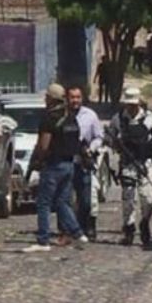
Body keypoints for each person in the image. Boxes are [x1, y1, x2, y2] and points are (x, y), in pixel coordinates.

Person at [23, 83, 88, 253]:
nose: (45, 100)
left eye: (47, 97)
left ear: (51, 98)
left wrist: (38, 161)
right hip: (69, 164)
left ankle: (43, 240)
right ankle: (78, 233)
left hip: (54, 165)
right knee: (62, 201)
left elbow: (44, 145)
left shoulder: (49, 118)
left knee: (44, 203)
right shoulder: (71, 117)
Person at [105, 87, 152, 247]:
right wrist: (114, 144)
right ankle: (129, 229)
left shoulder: (150, 119)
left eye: (134, 104)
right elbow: (108, 138)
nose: (131, 107)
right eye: (129, 104)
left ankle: (145, 221)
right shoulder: (118, 119)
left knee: (149, 199)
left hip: (146, 163)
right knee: (128, 199)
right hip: (127, 163)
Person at [67, 85, 104, 241]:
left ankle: (86, 225)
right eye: (72, 97)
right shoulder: (62, 115)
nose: (75, 100)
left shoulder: (90, 115)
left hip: (83, 161)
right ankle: (70, 229)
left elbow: (99, 136)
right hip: (66, 161)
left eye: (78, 97)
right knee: (66, 199)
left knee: (86, 200)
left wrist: (91, 148)